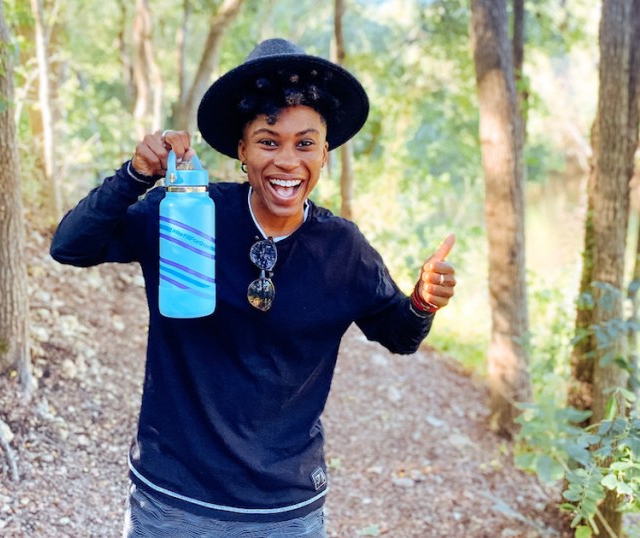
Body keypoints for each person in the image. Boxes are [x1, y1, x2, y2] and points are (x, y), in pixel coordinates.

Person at [50, 38, 457, 538]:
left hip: (284, 512)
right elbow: (70, 246)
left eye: (305, 143)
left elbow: (400, 334)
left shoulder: (342, 249)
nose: (288, 160)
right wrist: (136, 175)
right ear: (242, 150)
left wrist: (422, 299)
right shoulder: (186, 214)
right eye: (269, 141)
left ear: (325, 155)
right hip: (172, 499)